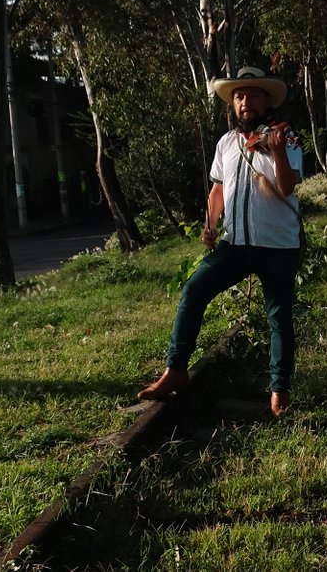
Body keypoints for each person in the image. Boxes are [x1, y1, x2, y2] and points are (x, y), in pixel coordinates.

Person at [138, 66, 303, 417]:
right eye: (239, 96)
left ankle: (279, 391)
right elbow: (218, 188)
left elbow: (288, 187)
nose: (245, 101)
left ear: (266, 100)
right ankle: (176, 370)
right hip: (235, 243)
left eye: (252, 95)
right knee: (194, 291)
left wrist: (277, 153)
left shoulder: (286, 138)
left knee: (278, 316)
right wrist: (210, 223)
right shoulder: (227, 143)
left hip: (278, 245)